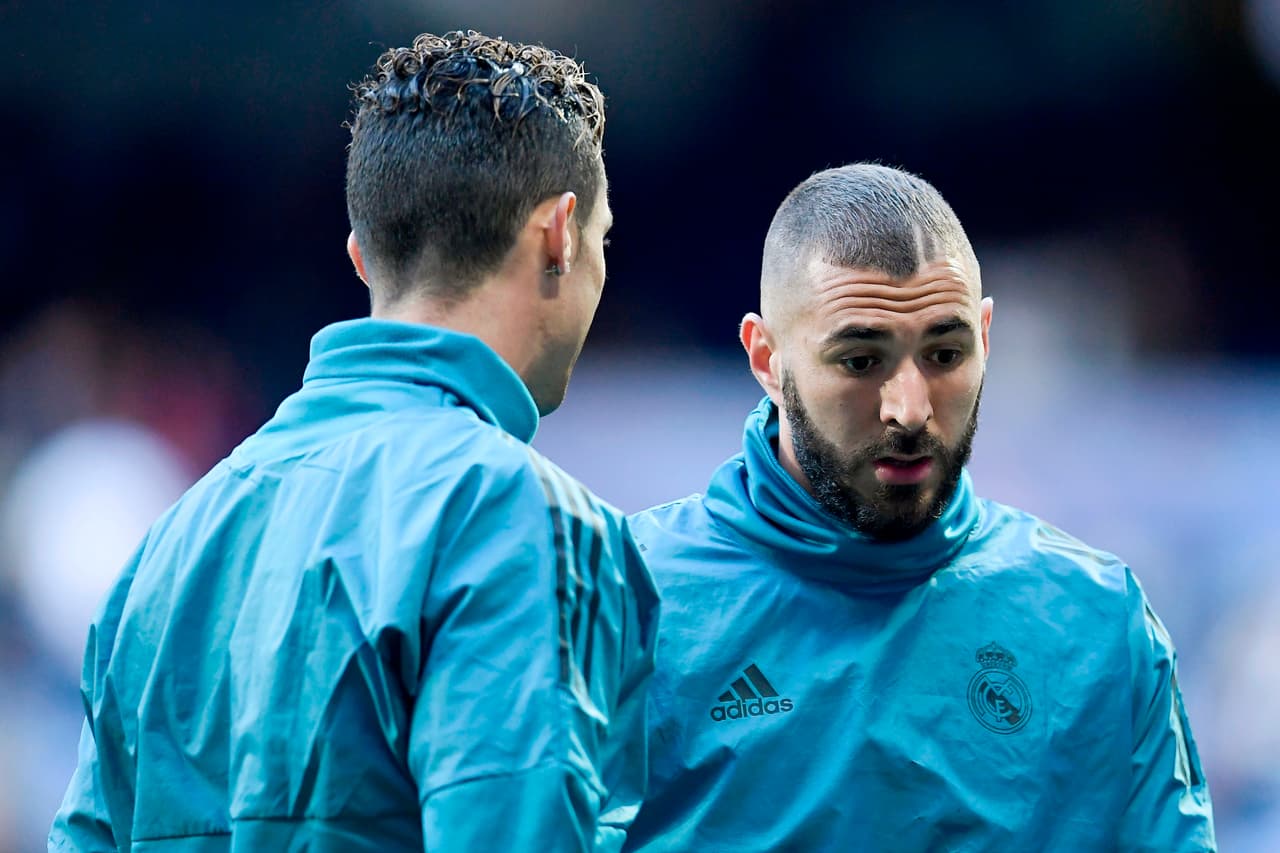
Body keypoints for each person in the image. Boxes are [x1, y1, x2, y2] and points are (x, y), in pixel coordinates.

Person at [50, 30, 658, 852]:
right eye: (604, 241)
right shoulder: (517, 512)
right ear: (559, 233)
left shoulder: (165, 545)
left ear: (362, 257)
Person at [622, 164, 1215, 851]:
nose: (910, 408)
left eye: (944, 353)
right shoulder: (627, 603)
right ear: (766, 358)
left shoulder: (1100, 622)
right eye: (861, 360)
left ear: (986, 338)